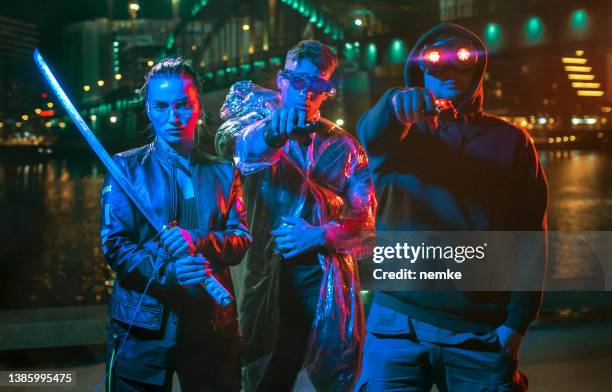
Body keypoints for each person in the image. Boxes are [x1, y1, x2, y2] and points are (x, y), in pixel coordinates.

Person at [356, 23, 548, 391]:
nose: (449, 70)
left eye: (463, 59)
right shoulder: (398, 133)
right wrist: (397, 101)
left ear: (478, 68)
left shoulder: (511, 142)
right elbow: (370, 131)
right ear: (420, 68)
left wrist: (516, 324)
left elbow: (529, 239)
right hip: (397, 324)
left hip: (479, 330)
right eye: (435, 60)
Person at [216, 40, 376, 391]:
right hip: (260, 285)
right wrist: (275, 132)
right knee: (263, 375)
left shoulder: (344, 147)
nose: (305, 94)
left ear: (328, 91)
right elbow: (240, 149)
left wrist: (320, 235)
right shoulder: (253, 123)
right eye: (298, 82)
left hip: (324, 288)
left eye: (316, 86)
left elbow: (366, 225)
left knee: (331, 378)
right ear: (281, 80)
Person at [100, 58, 251, 391]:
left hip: (212, 326)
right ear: (149, 111)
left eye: (183, 104)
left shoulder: (224, 173)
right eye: (162, 106)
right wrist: (169, 272)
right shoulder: (126, 170)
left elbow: (240, 239)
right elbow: (115, 246)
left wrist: (196, 240)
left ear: (198, 107)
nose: (173, 116)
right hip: (144, 329)